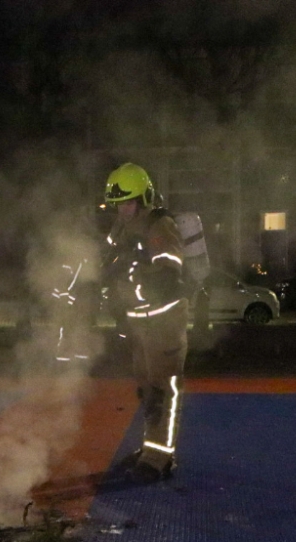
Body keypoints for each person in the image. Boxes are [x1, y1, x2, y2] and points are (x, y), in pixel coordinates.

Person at [102, 163, 188, 480]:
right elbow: (107, 261)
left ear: (143, 198)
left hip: (163, 319)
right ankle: (152, 446)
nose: (122, 210)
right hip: (138, 320)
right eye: (118, 204)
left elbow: (169, 273)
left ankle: (160, 459)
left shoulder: (159, 225)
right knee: (147, 388)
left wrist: (138, 279)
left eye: (127, 203)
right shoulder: (122, 228)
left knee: (164, 389)